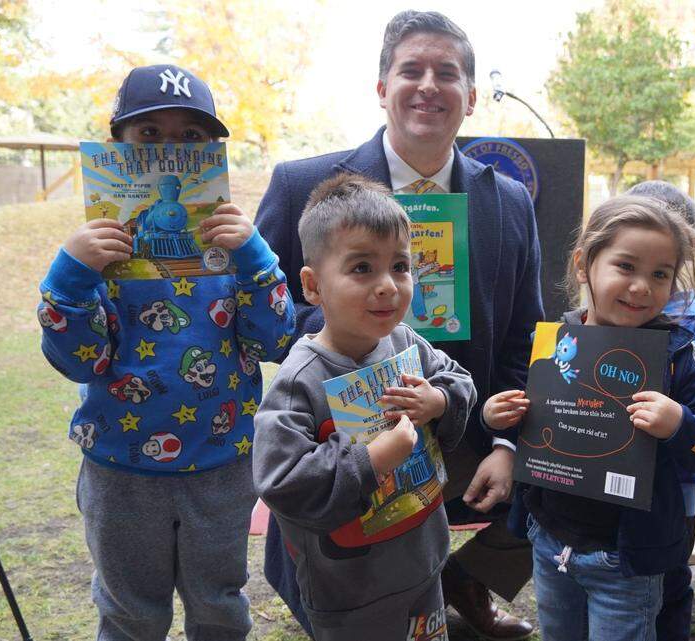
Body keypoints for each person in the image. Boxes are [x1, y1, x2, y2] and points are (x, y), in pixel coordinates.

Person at [254, 10, 541, 640]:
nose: (429, 85)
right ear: (382, 87)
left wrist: (506, 444)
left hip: (466, 421)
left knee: (567, 471)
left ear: (469, 96)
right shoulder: (302, 184)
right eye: (411, 69)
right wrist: (357, 335)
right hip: (356, 425)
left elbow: (527, 331)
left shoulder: (510, 200)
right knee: (347, 556)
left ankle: (467, 580)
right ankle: (346, 611)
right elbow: (260, 313)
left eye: (449, 73)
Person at [37, 64, 295, 640]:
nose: (170, 149)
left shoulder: (233, 249)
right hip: (121, 469)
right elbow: (78, 360)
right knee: (130, 612)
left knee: (220, 607)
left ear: (212, 149)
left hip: (221, 465)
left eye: (190, 136)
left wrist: (256, 259)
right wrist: (70, 277)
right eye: (149, 134)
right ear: (117, 147)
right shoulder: (100, 255)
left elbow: (276, 339)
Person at [484, 194, 695, 641]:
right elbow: (536, 424)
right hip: (551, 540)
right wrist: (500, 419)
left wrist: (677, 422)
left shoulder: (677, 354)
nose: (641, 286)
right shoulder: (559, 339)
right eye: (626, 267)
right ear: (584, 265)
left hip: (625, 557)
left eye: (660, 274)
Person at [253, 174, 476, 641]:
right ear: (313, 287)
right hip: (350, 590)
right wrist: (373, 459)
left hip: (423, 563)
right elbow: (280, 480)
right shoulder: (299, 381)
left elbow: (459, 380)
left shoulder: (404, 341)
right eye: (361, 269)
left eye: (400, 265)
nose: (388, 286)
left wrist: (437, 401)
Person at [627, 181, 695, 641]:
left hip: (672, 485)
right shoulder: (607, 315)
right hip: (615, 478)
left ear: (687, 248)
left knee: (668, 582)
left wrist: (674, 416)